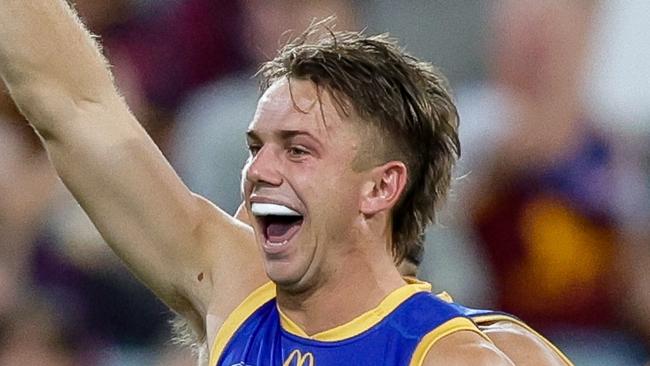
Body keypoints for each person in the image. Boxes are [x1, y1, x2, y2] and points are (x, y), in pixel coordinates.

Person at [0, 2, 570, 365]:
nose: (258, 172)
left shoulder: (458, 356)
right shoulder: (232, 289)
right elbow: (73, 106)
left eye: (297, 150)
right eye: (257, 147)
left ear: (380, 188)